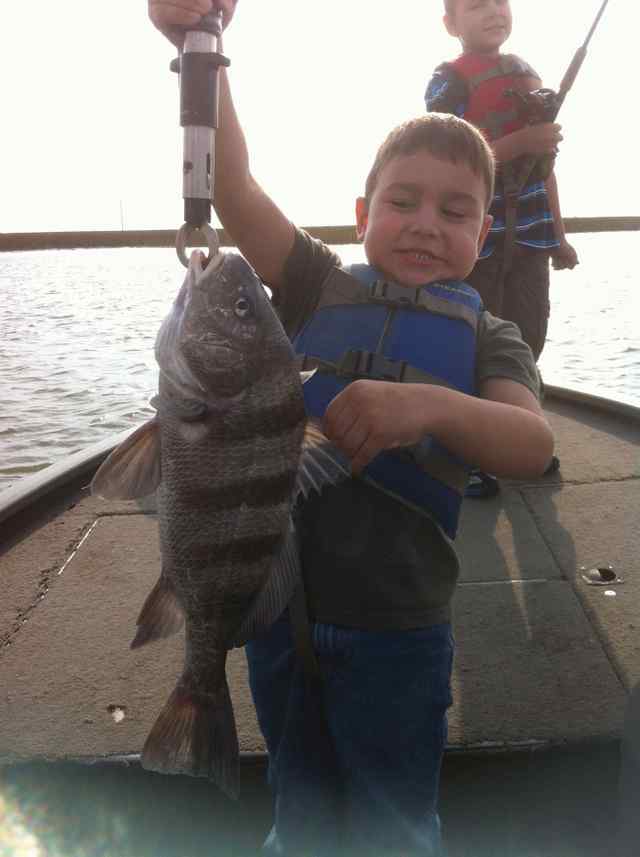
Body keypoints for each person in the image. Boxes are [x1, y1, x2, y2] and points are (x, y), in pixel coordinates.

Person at [150, 2, 554, 855]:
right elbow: (234, 190)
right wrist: (199, 49)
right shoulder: (313, 284)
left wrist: (431, 407)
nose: (426, 223)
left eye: (455, 211)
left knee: (392, 822)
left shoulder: (489, 336)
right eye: (403, 201)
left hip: (401, 634)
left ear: (484, 233)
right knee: (299, 805)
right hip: (278, 622)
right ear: (363, 211)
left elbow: (532, 443)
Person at [426, 0, 579, 364]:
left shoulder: (526, 74)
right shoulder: (448, 81)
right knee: (472, 333)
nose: (493, 11)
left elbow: (544, 170)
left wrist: (559, 237)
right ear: (451, 25)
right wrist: (522, 142)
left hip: (532, 238)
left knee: (529, 334)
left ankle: (519, 389)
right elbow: (447, 159)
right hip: (476, 243)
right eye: (477, 6)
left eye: (500, 2)